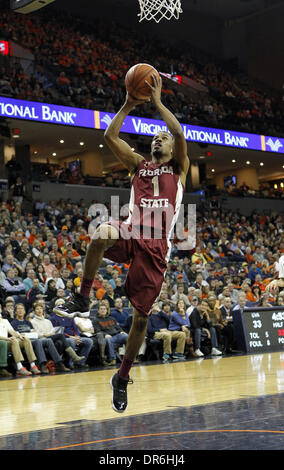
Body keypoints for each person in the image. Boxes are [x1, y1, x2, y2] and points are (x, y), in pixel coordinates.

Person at [53, 74, 189, 412]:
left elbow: (179, 132)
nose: (159, 139)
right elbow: (109, 135)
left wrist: (157, 103)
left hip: (157, 245)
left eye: (163, 137)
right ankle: (83, 297)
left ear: (171, 148)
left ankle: (122, 377)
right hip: (131, 230)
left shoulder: (180, 167)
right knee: (100, 233)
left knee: (141, 319)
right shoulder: (138, 166)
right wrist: (129, 103)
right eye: (155, 137)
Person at [11, 303, 70, 373]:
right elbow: (15, 334)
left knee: (48, 340)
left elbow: (34, 332)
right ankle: (42, 364)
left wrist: (29, 334)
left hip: (32, 338)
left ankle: (59, 363)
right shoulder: (13, 323)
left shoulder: (28, 322)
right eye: (18, 309)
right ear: (15, 312)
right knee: (38, 341)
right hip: (23, 341)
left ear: (24, 311)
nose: (20, 310)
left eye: (22, 309)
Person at [31, 302, 85, 367]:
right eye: (37, 309)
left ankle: (61, 363)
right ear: (34, 311)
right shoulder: (33, 321)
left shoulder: (47, 321)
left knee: (60, 342)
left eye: (41, 308)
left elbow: (52, 330)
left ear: (43, 310)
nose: (39, 310)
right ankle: (73, 356)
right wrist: (44, 334)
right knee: (61, 335)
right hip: (43, 338)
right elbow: (36, 334)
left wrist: (51, 333)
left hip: (50, 336)